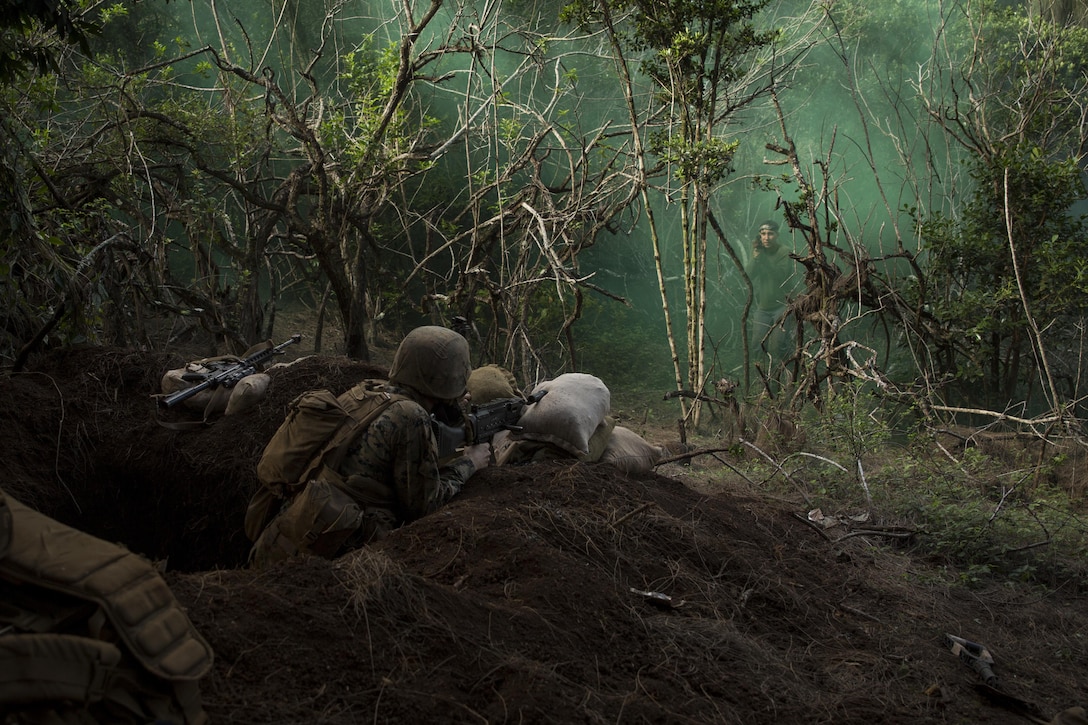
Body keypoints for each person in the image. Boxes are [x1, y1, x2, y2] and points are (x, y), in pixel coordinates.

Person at [250, 326, 490, 566]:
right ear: (446, 378)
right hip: (322, 561)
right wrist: (470, 463)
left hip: (281, 539)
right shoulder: (411, 416)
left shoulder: (368, 391)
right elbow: (424, 507)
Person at [744, 220, 800, 364]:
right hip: (763, 307)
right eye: (763, 234)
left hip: (782, 305)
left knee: (778, 346)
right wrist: (756, 258)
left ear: (777, 235)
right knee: (757, 344)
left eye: (770, 234)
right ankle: (763, 381)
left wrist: (762, 258)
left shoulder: (784, 251)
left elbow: (780, 276)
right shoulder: (759, 252)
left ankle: (786, 376)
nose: (766, 237)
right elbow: (749, 275)